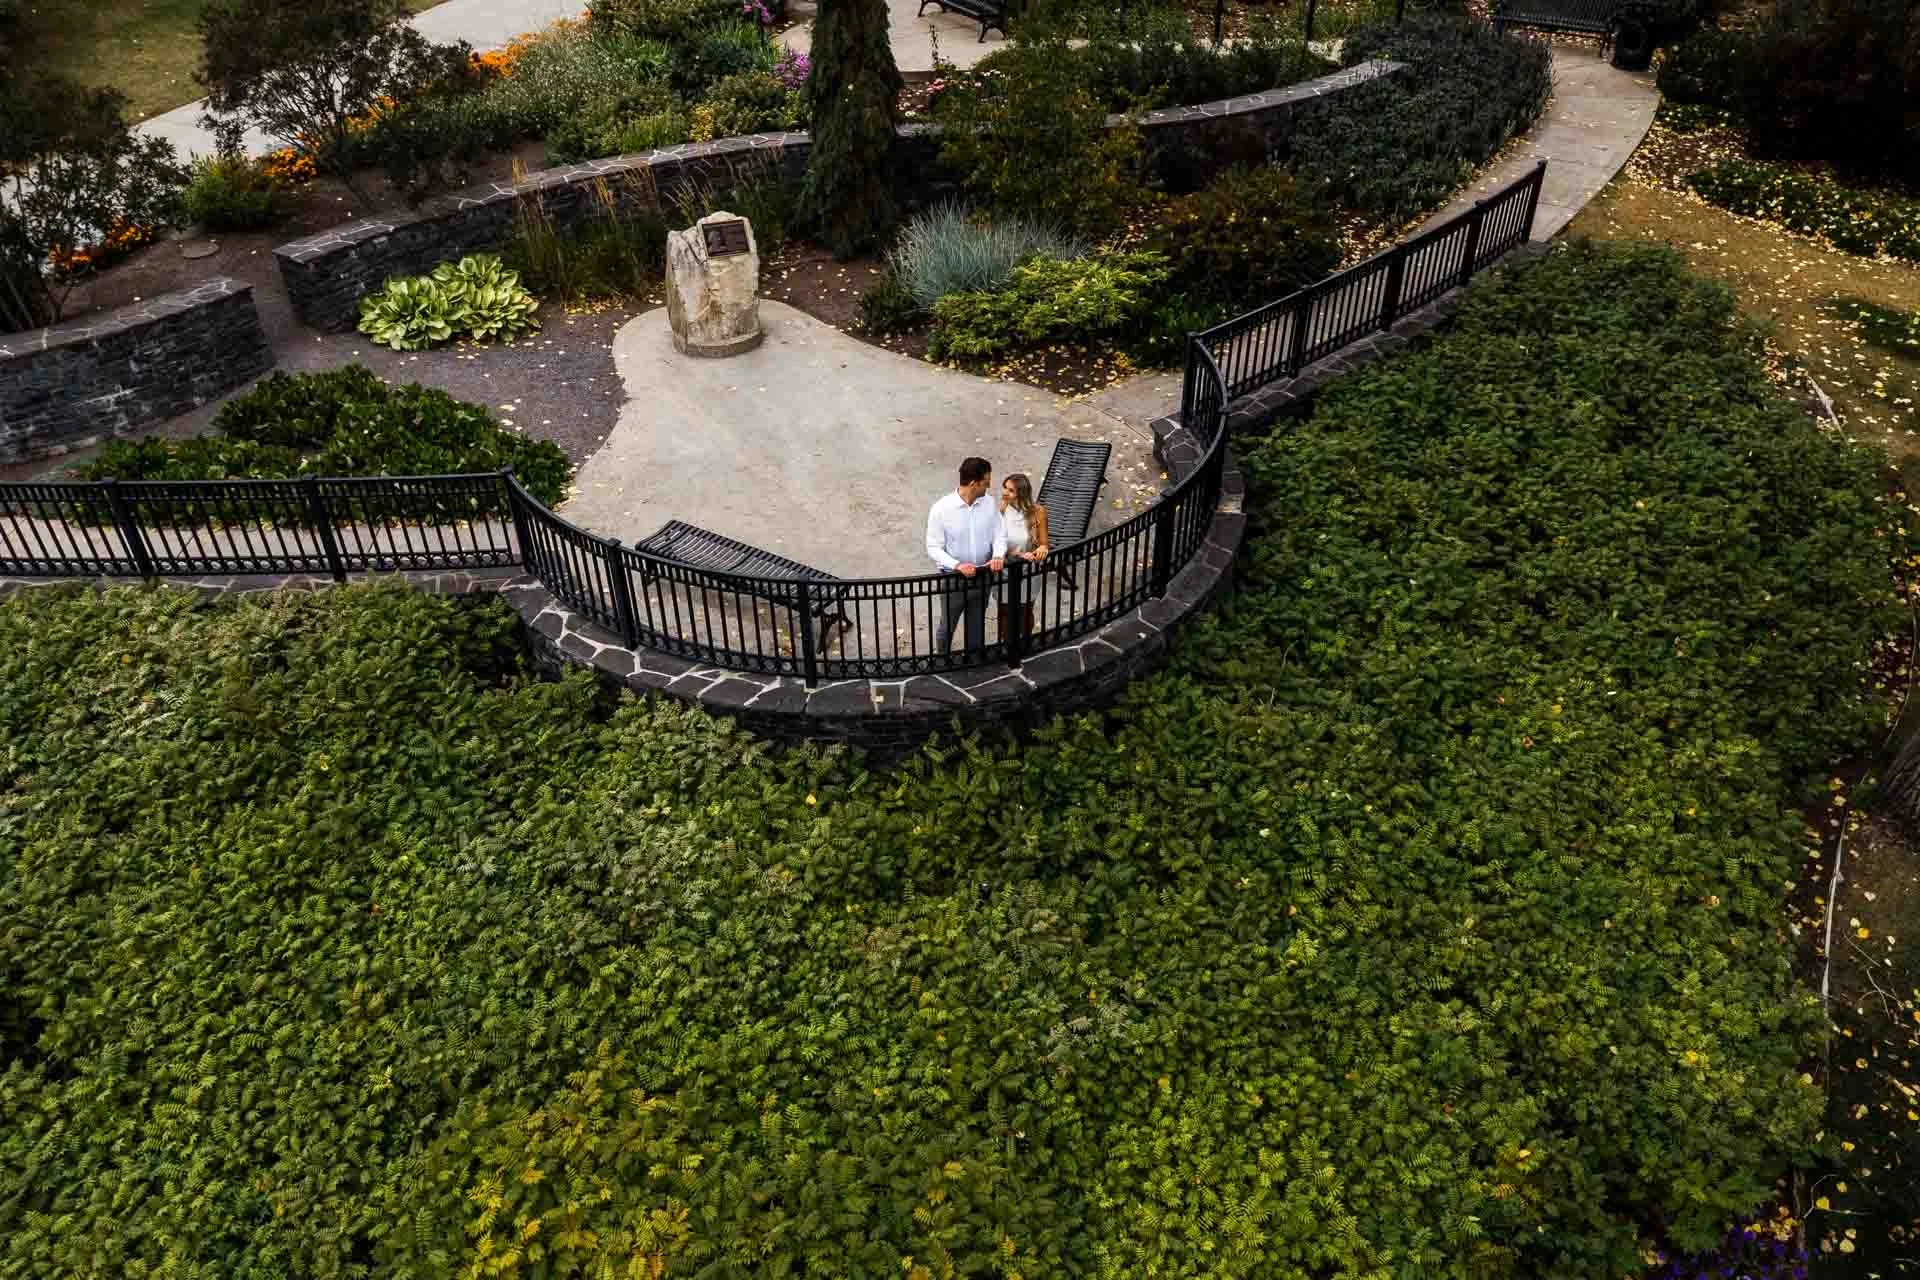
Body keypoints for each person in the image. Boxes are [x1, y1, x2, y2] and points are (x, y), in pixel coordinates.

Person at [925, 456, 1005, 654]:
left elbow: (999, 533)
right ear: (973, 483)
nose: (988, 487)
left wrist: (998, 555)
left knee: (977, 626)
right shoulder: (941, 509)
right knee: (947, 626)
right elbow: (933, 547)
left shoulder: (989, 503)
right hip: (954, 580)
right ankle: (942, 660)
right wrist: (957, 565)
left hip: (983, 576)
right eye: (985, 483)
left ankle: (974, 661)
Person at [997, 472, 1048, 642]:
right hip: (1006, 567)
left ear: (1022, 493)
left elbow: (1044, 542)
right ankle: (1007, 645)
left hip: (1029, 569)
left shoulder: (1038, 512)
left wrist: (1042, 548)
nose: (1005, 492)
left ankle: (1025, 642)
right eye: (1005, 487)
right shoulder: (1001, 511)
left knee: (1025, 609)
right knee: (1004, 610)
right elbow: (995, 543)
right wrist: (1016, 554)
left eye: (1010, 490)